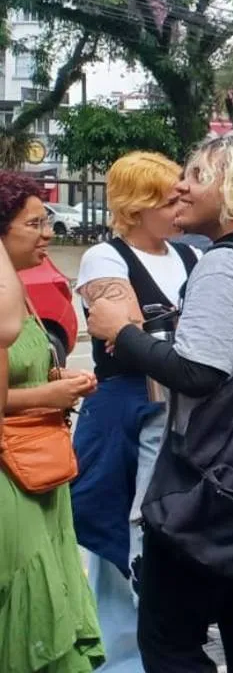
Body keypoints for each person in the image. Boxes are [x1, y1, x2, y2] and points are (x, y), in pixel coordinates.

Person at [86, 138, 233, 671]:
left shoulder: (225, 265)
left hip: (212, 495)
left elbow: (197, 372)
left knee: (168, 641)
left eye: (196, 174)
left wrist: (122, 332)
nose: (181, 185)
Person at [70, 152, 200, 673]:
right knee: (116, 545)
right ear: (138, 205)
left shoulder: (192, 256)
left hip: (180, 418)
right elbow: (124, 337)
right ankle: (120, 662)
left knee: (164, 540)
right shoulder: (105, 258)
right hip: (124, 415)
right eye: (170, 198)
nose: (180, 204)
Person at [0, 172, 105, 673]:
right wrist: (54, 392)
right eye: (35, 223)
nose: (48, 233)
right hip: (10, 477)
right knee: (28, 591)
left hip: (40, 468)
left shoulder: (18, 285)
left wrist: (55, 382)